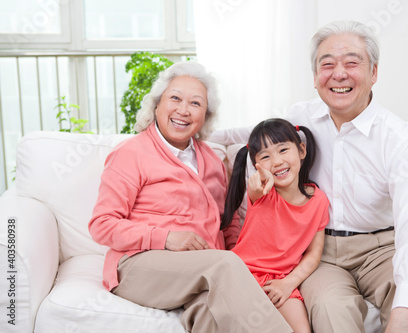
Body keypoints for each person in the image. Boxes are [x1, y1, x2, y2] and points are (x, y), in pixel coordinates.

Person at [210, 20, 408, 333]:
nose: (339, 74)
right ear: (315, 76)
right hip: (320, 252)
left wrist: (405, 313)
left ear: (374, 73)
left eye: (352, 62)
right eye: (327, 64)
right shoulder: (301, 117)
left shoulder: (400, 139)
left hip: (382, 247)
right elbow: (254, 132)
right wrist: (197, 132)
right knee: (330, 309)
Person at [88, 61, 293, 333]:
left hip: (198, 271)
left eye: (195, 104)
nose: (183, 110)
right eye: (175, 98)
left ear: (205, 116)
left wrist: (240, 257)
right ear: (157, 105)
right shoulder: (131, 153)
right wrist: (166, 237)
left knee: (213, 314)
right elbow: (102, 224)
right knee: (224, 265)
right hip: (138, 266)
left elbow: (226, 221)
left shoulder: (211, 159)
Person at [221, 118, 329, 333]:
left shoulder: (319, 200)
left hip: (281, 280)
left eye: (283, 150)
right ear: (256, 166)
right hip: (243, 274)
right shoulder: (262, 192)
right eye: (266, 157)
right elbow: (256, 188)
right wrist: (258, 184)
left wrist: (289, 283)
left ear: (301, 151)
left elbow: (313, 254)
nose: (277, 161)